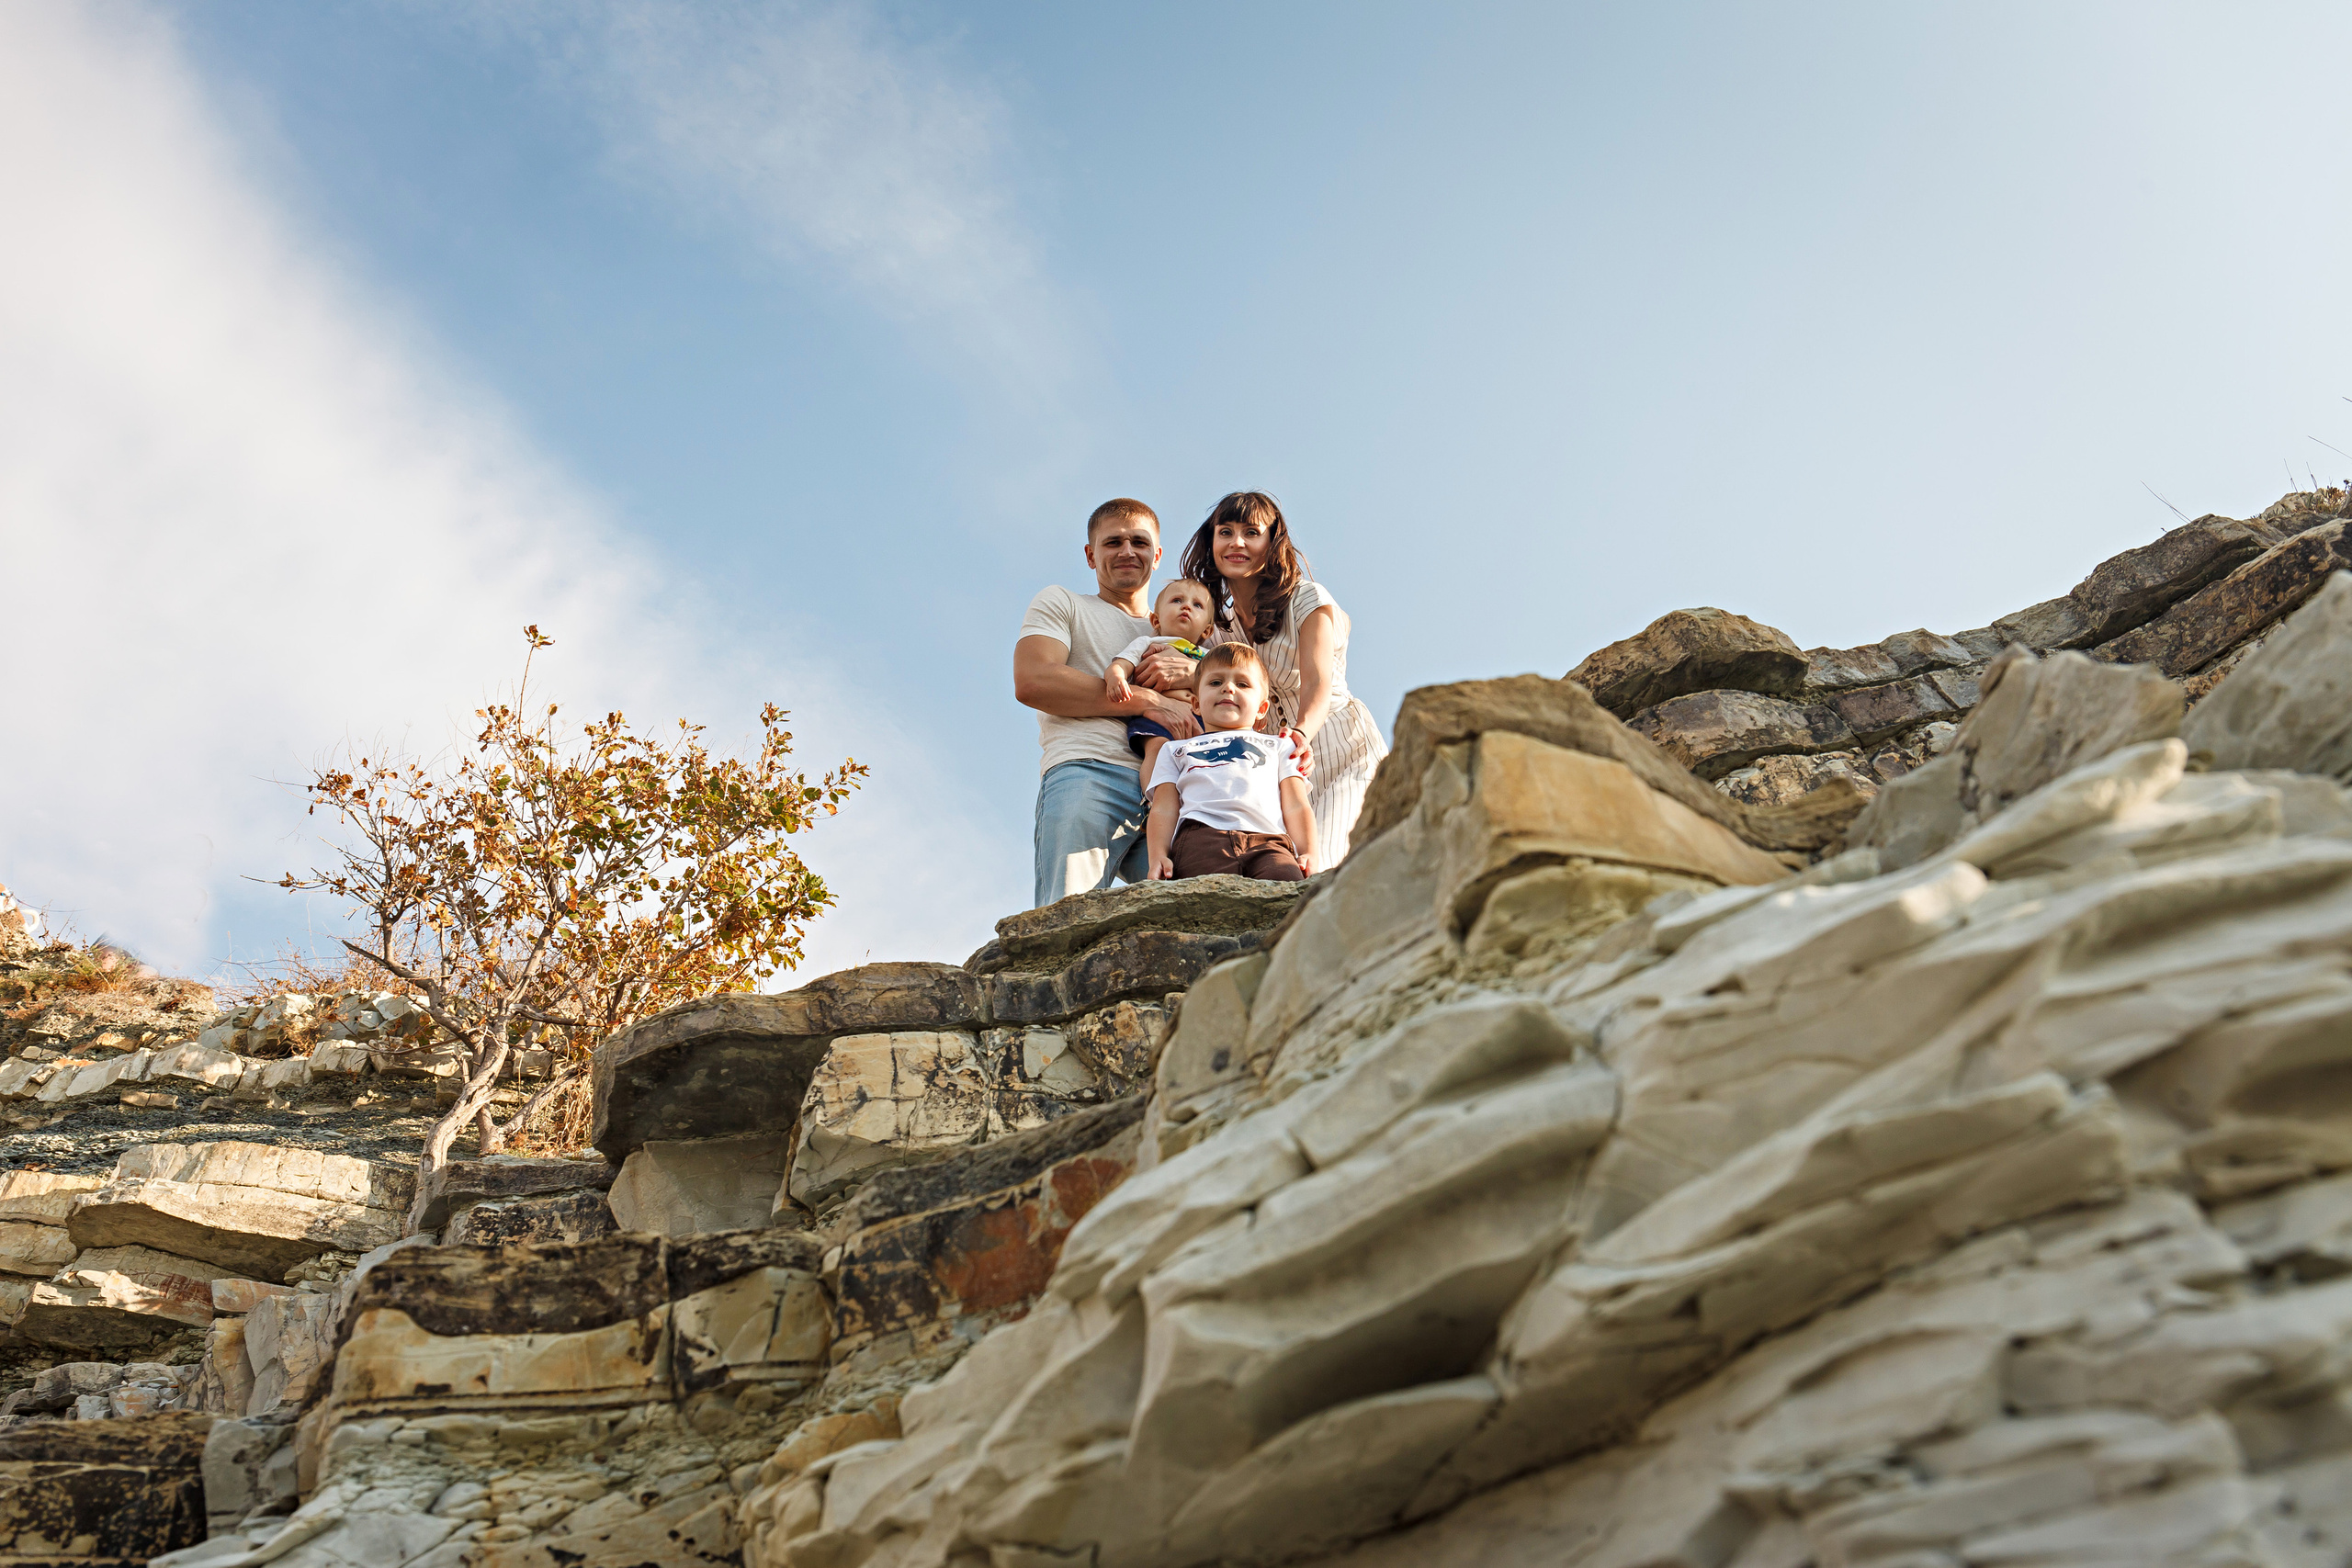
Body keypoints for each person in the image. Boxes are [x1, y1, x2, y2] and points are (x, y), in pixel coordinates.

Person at [1178, 491, 1387, 867]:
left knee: (1321, 867)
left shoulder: (1307, 599)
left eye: (1251, 532)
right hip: (1278, 778)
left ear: (1272, 543)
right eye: (1225, 532)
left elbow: (1318, 681)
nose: (1236, 543)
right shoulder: (1217, 632)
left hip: (1344, 754)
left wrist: (1302, 733)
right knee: (1287, 878)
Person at [1013, 499, 1205, 907]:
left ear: (1157, 555)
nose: (1126, 551)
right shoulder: (1064, 603)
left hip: (1179, 785)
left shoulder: (1189, 625)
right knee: (1065, 914)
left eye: (1139, 542)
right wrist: (1148, 701)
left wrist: (1192, 675)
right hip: (1089, 771)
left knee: (1196, 911)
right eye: (1112, 542)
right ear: (1090, 554)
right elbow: (1034, 680)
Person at [1144, 644, 1315, 882]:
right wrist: (1158, 856)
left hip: (1270, 842)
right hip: (1199, 840)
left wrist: (1309, 852)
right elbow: (1163, 808)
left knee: (1289, 901)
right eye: (1215, 683)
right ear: (1195, 704)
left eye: (1242, 684)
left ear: (1262, 709)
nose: (1228, 688)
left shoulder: (1280, 746)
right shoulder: (1175, 750)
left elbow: (1296, 805)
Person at [1102, 577, 1218, 781]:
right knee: (1157, 749)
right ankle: (1153, 801)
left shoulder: (1209, 656)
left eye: (1197, 605)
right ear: (1156, 620)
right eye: (1177, 600)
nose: (1186, 607)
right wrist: (1116, 677)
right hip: (1156, 718)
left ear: (1207, 631)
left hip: (1201, 721)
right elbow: (1122, 663)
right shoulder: (1148, 642)